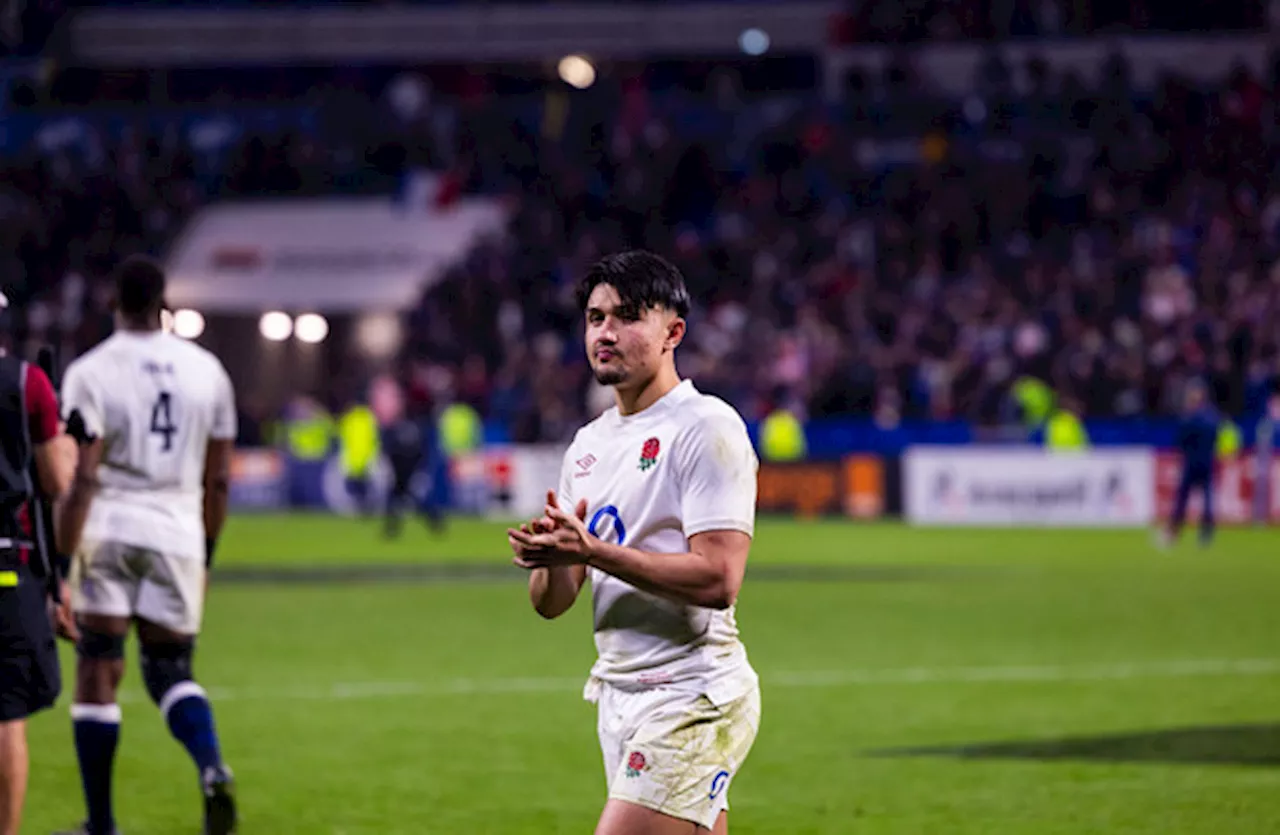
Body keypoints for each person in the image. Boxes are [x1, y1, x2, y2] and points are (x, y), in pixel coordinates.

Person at [507, 251, 761, 835]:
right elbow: (552, 604)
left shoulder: (706, 428)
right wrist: (552, 557)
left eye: (626, 316)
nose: (605, 332)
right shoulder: (588, 446)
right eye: (595, 317)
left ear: (673, 332)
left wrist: (593, 551)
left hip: (692, 694)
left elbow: (719, 581)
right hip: (619, 696)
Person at [54, 256, 238, 835]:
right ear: (165, 304)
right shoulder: (208, 370)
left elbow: (82, 475)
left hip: (109, 528)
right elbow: (220, 478)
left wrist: (61, 564)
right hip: (178, 530)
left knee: (97, 673)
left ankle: (102, 824)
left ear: (113, 303)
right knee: (170, 670)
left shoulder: (90, 371)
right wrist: (205, 554)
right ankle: (211, 769)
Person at [0, 292, 79, 835]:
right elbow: (55, 484)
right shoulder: (27, 382)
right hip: (9, 565)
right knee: (6, 715)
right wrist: (68, 445)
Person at [1161, 379, 1220, 548]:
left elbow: (1180, 439)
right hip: (1206, 461)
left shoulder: (1191, 417)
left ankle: (1174, 532)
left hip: (1193, 461)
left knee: (1183, 498)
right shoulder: (1212, 416)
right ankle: (1205, 534)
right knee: (1205, 498)